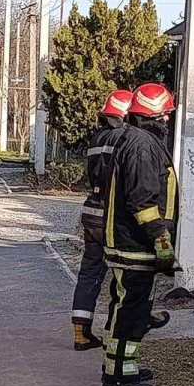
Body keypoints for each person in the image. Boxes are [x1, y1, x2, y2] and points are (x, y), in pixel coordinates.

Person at [99, 83, 179, 386]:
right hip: (135, 246)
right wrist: (161, 239)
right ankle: (119, 375)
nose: (168, 120)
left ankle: (120, 365)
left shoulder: (137, 141)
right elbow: (143, 202)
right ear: (156, 115)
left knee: (124, 307)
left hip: (129, 244)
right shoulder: (144, 146)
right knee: (131, 311)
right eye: (166, 115)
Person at [70, 90, 133, 351]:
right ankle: (118, 329)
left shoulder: (98, 138)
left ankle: (80, 332)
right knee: (125, 274)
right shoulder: (128, 139)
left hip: (92, 211)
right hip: (113, 215)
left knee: (90, 272)